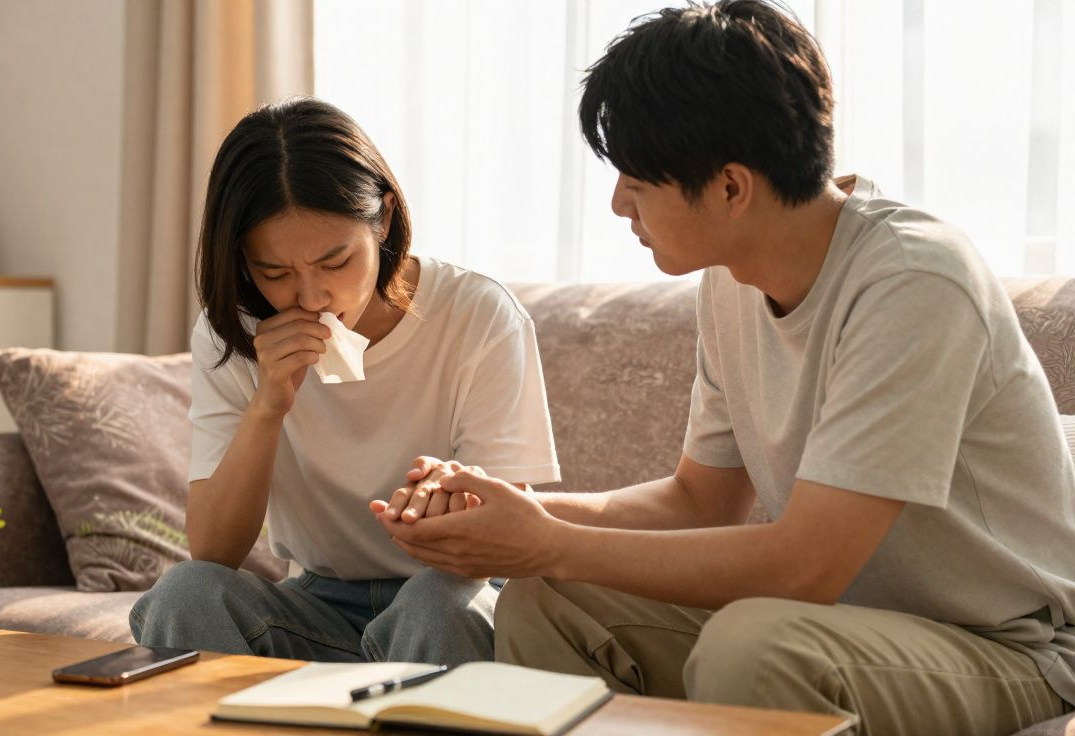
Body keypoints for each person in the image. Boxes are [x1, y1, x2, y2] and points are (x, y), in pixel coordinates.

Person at [378, 2, 1075, 733]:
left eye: (636, 181)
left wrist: (550, 541)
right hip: (843, 628)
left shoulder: (914, 281)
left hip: (1008, 646)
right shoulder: (733, 279)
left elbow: (808, 565)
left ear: (731, 188)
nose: (617, 204)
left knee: (754, 646)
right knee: (549, 598)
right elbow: (698, 502)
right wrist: (508, 509)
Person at [129, 97, 560, 665]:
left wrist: (447, 499)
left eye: (335, 263)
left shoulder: (477, 314)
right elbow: (213, 551)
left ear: (383, 219)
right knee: (186, 593)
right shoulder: (233, 333)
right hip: (321, 602)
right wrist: (268, 405)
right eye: (275, 272)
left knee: (435, 606)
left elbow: (505, 538)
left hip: (453, 590)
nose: (311, 297)